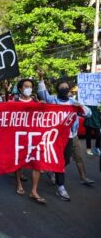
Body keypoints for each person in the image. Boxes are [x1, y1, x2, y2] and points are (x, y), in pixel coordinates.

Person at [38, 71, 94, 201]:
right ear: (58, 90)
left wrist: (80, 107)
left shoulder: (73, 102)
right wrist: (41, 78)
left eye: (66, 87)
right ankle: (61, 187)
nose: (64, 89)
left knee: (66, 160)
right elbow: (42, 93)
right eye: (61, 87)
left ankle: (53, 172)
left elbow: (88, 113)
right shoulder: (52, 100)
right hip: (56, 137)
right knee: (60, 161)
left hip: (70, 136)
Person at [11, 78, 46, 204]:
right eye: (26, 86)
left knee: (37, 163)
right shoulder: (13, 102)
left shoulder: (37, 101)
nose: (28, 88)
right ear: (20, 89)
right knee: (19, 161)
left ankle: (34, 191)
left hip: (34, 137)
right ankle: (19, 184)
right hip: (19, 137)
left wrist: (43, 106)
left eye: (30, 86)